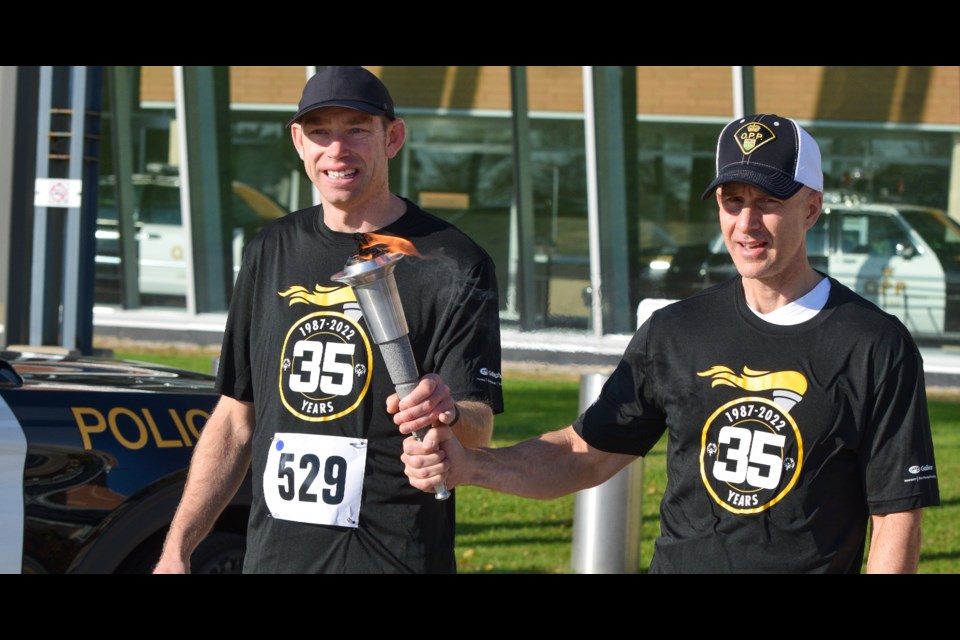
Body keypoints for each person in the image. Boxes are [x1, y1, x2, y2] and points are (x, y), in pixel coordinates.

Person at [402, 114, 941, 573]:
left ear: (812, 208)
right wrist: (471, 466)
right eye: (733, 201)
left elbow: (896, 516)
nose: (747, 223)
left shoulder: (874, 345)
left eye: (769, 201)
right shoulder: (677, 331)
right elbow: (583, 453)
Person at [154, 66, 503, 574]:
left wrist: (448, 413)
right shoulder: (269, 250)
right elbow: (235, 418)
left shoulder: (454, 260)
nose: (337, 149)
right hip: (276, 559)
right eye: (320, 132)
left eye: (357, 129)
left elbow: (479, 425)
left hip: (395, 558)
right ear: (299, 142)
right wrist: (176, 550)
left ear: (393, 137)